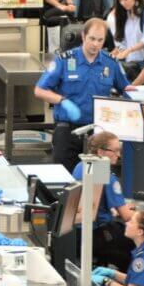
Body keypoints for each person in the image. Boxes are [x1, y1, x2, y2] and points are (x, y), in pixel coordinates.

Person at [34, 17, 130, 173]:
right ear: (83, 36)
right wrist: (62, 100)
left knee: (96, 181)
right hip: (68, 132)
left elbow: (127, 90)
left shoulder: (110, 63)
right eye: (92, 39)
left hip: (97, 135)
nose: (95, 44)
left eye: (100, 40)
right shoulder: (64, 60)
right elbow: (39, 90)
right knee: (64, 181)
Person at [73, 131, 136, 271]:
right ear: (101, 151)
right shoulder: (104, 173)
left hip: (75, 235)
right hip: (96, 236)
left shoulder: (81, 165)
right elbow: (126, 216)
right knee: (136, 242)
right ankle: (133, 285)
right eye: (115, 151)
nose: (118, 155)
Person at [107, 0, 144, 80]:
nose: (123, 3)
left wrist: (129, 50)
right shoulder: (125, 15)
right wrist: (116, 52)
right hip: (130, 65)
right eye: (120, 1)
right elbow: (122, 44)